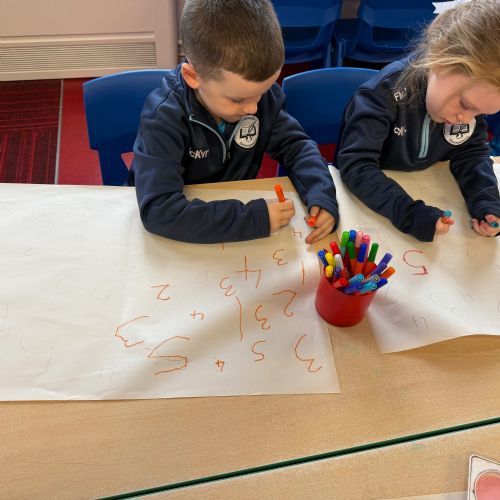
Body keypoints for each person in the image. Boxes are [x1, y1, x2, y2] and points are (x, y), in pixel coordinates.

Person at [129, 0, 338, 244]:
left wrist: (321, 193)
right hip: (181, 236)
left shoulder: (258, 99)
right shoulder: (164, 117)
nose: (253, 108)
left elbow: (297, 147)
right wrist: (253, 218)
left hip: (228, 221)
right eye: (238, 99)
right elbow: (159, 210)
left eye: (262, 92)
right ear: (192, 76)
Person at [336, 0, 500, 242]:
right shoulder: (382, 94)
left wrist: (486, 201)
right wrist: (410, 214)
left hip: (425, 185)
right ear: (440, 59)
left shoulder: (468, 101)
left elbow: (471, 152)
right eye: (465, 104)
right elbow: (356, 166)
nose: (465, 119)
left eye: (479, 113)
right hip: (366, 208)